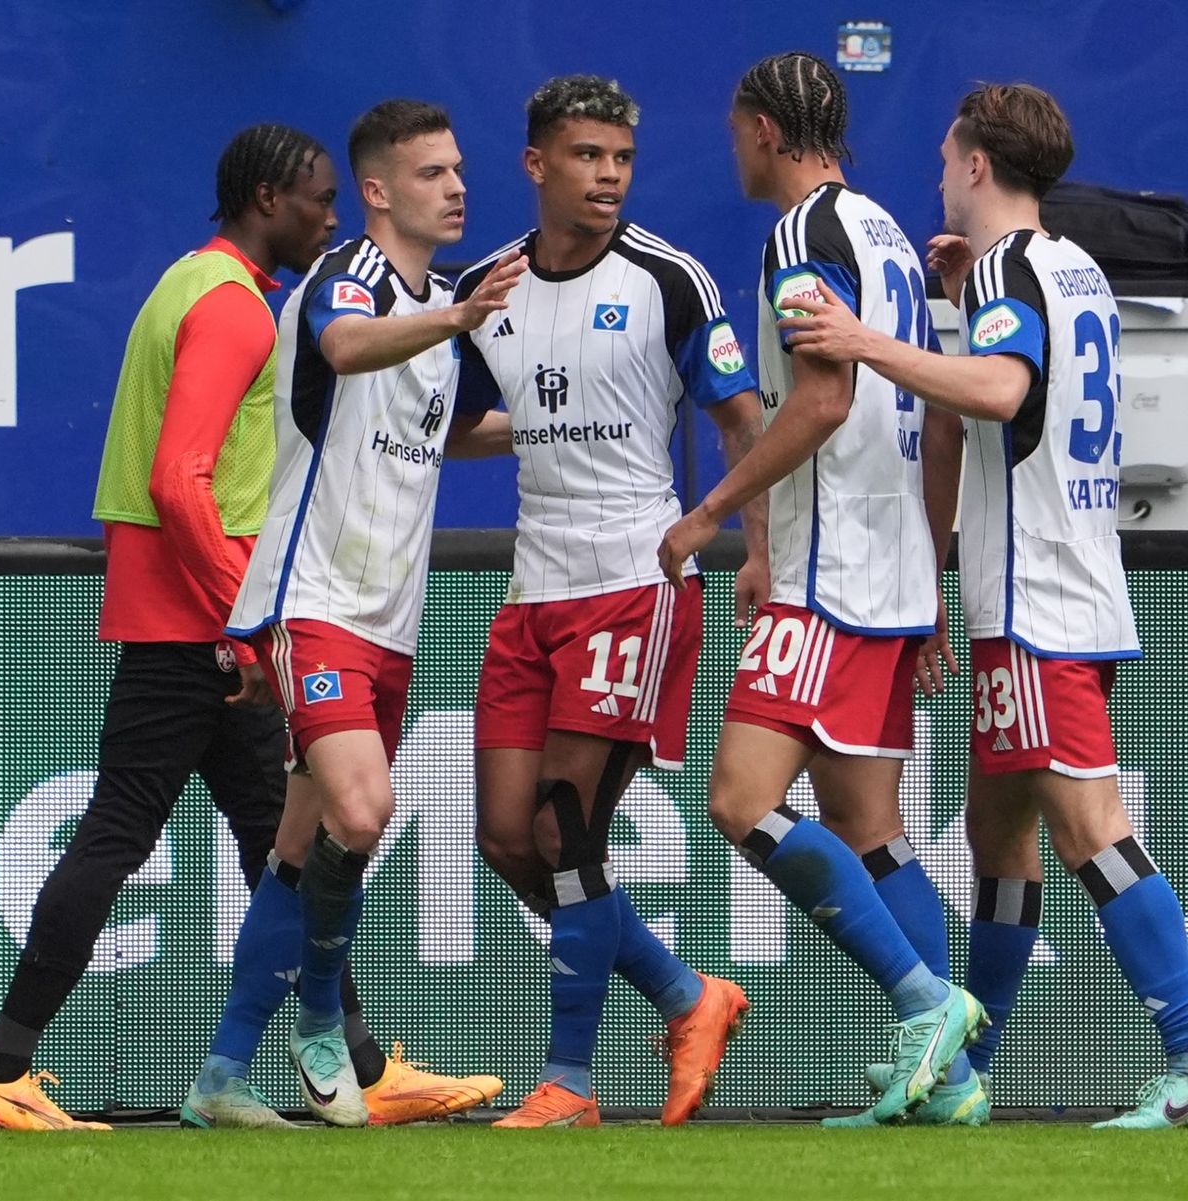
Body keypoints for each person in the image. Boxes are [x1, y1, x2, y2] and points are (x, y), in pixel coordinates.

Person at [779, 81, 1188, 1130]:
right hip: (1059, 583)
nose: (938, 176)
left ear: (974, 164)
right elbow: (1022, 373)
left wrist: (869, 341)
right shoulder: (1067, 265)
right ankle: (965, 1070)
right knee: (996, 834)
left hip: (1041, 592)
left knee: (1090, 831)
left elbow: (1005, 390)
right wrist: (962, 314)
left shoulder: (1010, 267)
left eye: (946, 157)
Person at [0, 124, 341, 1133]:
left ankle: (344, 1060)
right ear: (269, 197)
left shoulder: (194, 284)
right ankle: (2, 1064)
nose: (331, 217)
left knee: (280, 839)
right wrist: (248, 626)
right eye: (319, 197)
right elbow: (177, 477)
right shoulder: (232, 308)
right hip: (198, 628)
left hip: (189, 617)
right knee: (124, 831)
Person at [657, 51, 986, 1127]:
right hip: (882, 571)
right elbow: (936, 414)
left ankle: (925, 1003)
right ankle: (953, 1083)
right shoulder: (889, 233)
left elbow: (823, 399)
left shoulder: (801, 238)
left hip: (830, 574)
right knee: (868, 823)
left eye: (734, 130)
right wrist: (927, 569)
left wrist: (713, 513)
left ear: (762, 129)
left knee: (738, 802)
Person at [202, 99, 527, 1129]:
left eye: (461, 170)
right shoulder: (350, 278)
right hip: (313, 602)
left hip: (391, 617)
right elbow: (345, 348)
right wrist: (461, 317)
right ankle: (322, 1023)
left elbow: (463, 428)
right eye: (433, 173)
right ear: (380, 190)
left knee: (302, 851)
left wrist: (577, 422)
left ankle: (219, 1076)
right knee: (363, 811)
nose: (459, 187)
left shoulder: (434, 316)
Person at [451, 74, 766, 1129]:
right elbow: (453, 425)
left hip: (635, 581)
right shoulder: (489, 288)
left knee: (565, 832)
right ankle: (689, 994)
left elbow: (743, 418)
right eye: (588, 157)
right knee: (506, 838)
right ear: (537, 164)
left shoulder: (669, 277)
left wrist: (744, 543)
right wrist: (541, 428)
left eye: (622, 159)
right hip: (533, 587)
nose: (610, 177)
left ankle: (570, 1082)